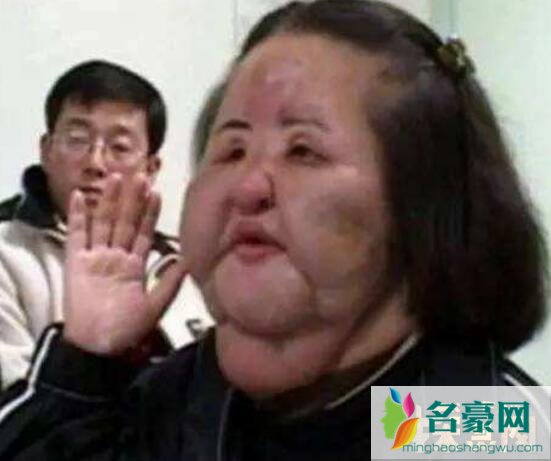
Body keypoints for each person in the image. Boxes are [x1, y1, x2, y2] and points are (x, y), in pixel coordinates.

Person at [0, 1, 547, 459]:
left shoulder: (475, 421)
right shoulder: (182, 400)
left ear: (423, 204)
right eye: (231, 149)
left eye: (303, 150)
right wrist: (83, 368)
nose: (247, 185)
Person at [0, 60, 209, 390]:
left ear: (151, 169)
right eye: (77, 139)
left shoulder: (179, 263)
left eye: (120, 147)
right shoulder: (7, 251)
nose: (95, 163)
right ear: (46, 151)